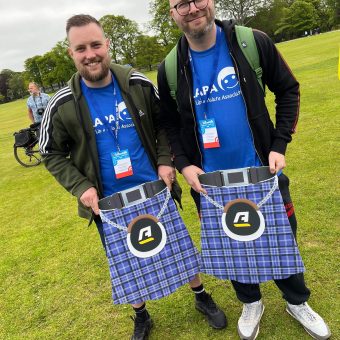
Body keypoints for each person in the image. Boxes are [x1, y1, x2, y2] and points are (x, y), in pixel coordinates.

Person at [39, 14, 226, 340]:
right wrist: (81, 186)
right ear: (71, 53)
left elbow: (165, 124)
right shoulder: (62, 103)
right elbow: (50, 152)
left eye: (96, 44)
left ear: (107, 45)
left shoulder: (137, 82)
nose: (90, 54)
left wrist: (167, 161)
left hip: (154, 191)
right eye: (81, 48)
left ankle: (201, 296)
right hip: (108, 204)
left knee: (178, 248)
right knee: (126, 261)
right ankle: (141, 316)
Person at [157, 1, 331, 339]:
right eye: (181, 3)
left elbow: (288, 89)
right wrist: (185, 164)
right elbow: (168, 122)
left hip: (263, 174)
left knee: (283, 237)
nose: (192, 9)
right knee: (232, 244)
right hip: (211, 184)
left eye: (197, 0)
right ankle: (251, 302)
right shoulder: (170, 67)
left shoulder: (253, 42)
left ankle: (297, 301)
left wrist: (279, 144)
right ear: (172, 14)